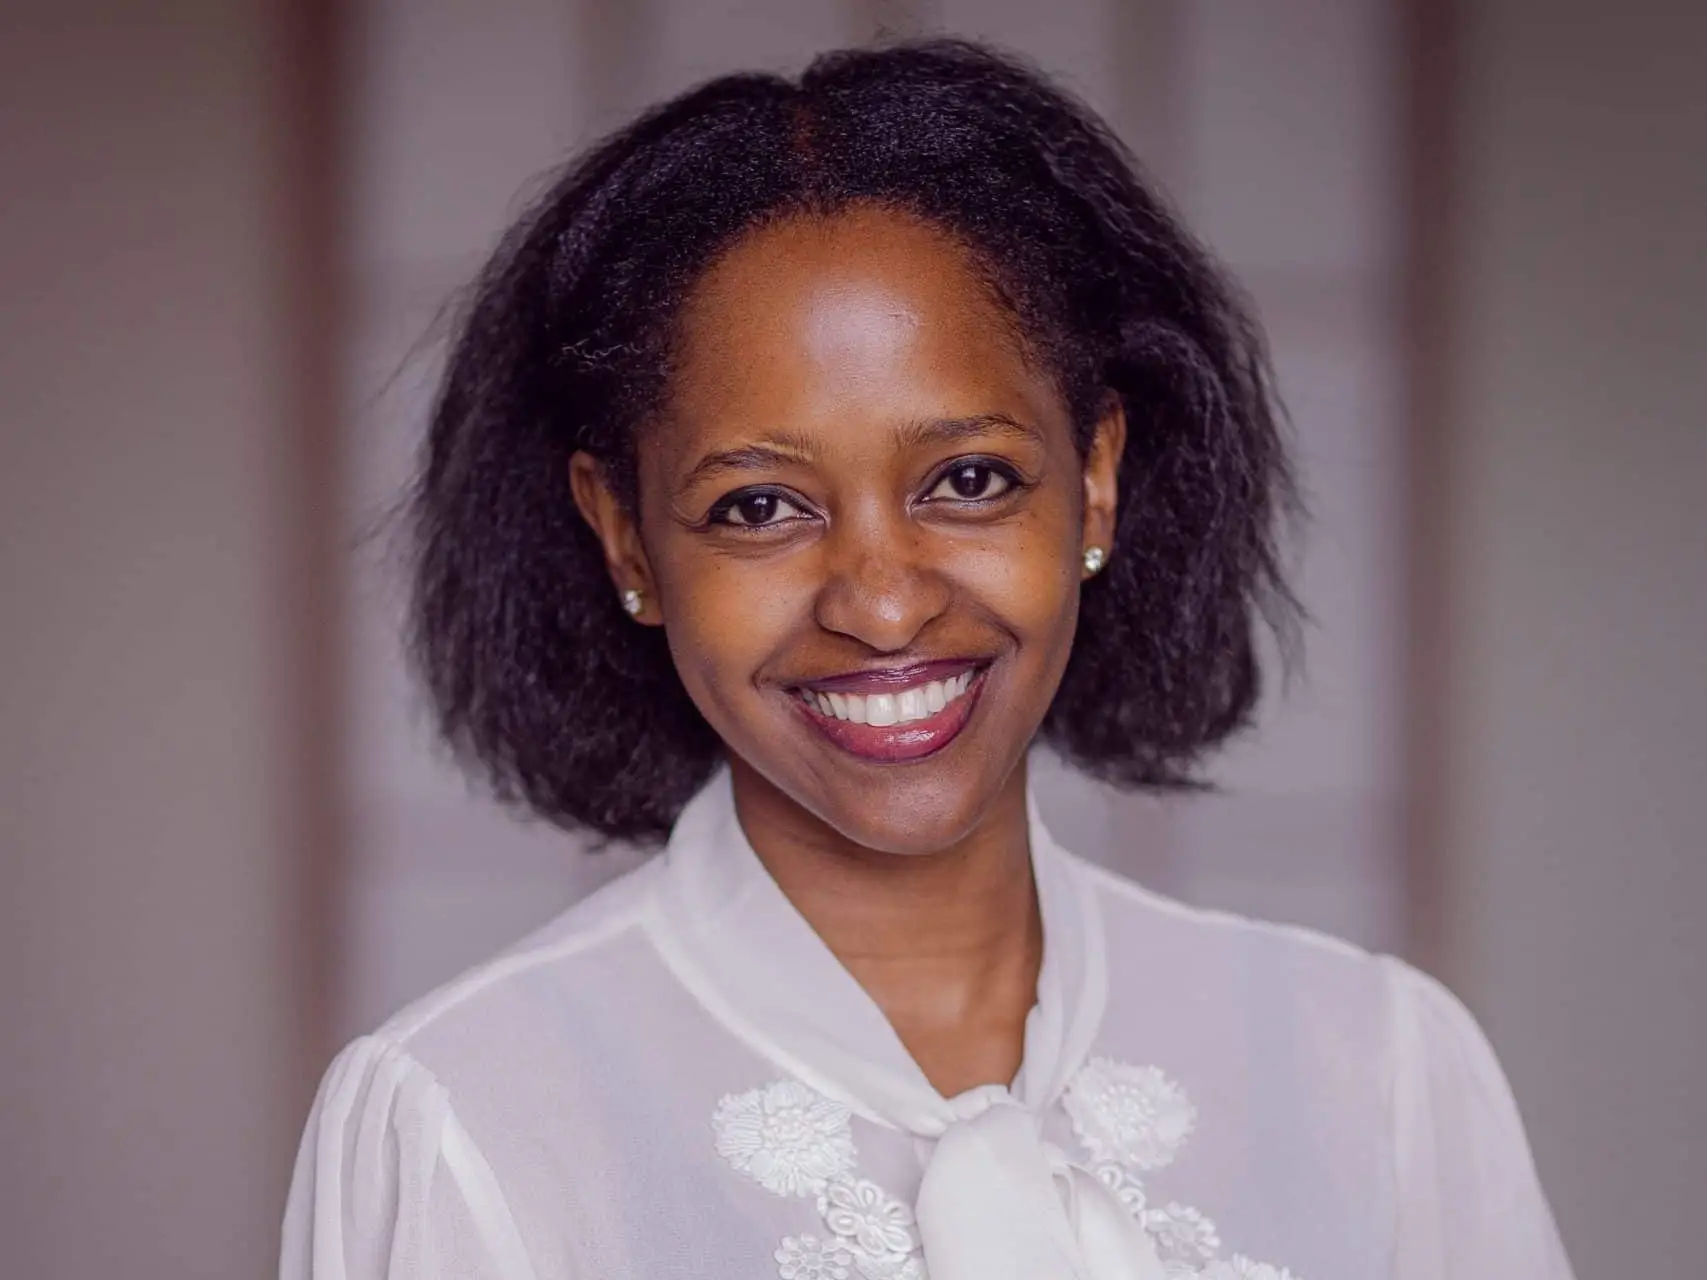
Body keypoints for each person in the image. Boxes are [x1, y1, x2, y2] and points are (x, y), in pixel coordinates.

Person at [281, 39, 1572, 1280]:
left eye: (966, 479)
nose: (883, 606)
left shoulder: (1375, 1062)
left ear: (1098, 482)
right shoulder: (466, 1112)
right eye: (758, 505)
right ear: (624, 533)